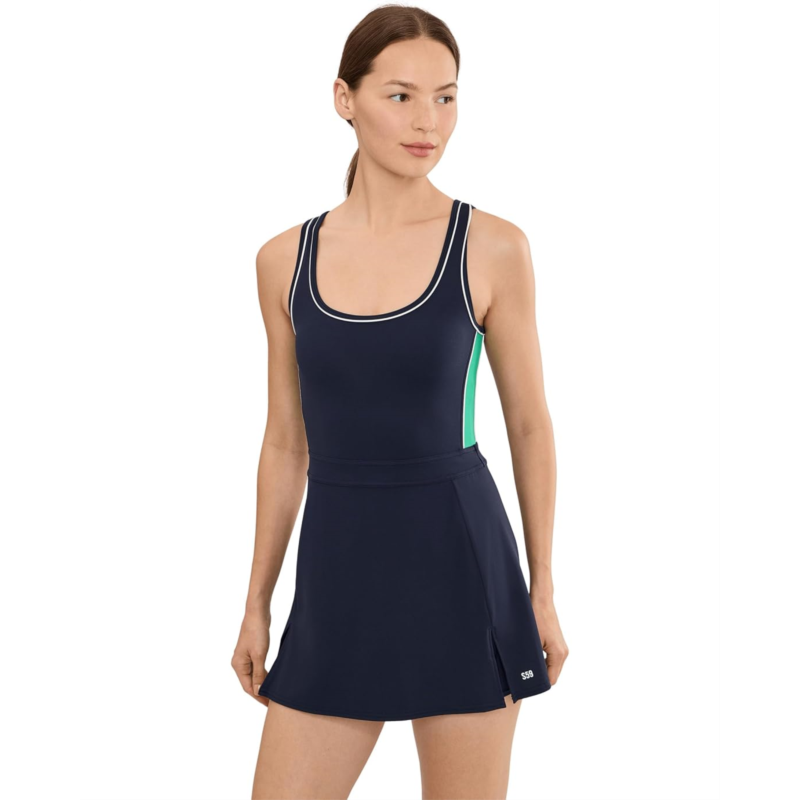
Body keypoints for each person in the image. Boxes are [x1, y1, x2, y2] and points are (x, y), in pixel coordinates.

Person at [232, 5, 569, 799]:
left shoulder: (492, 246)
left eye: (446, 98)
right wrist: (256, 602)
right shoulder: (283, 260)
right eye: (401, 96)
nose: (429, 122)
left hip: (463, 570)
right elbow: (286, 442)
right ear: (344, 99)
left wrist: (542, 589)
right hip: (338, 575)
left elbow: (529, 425)